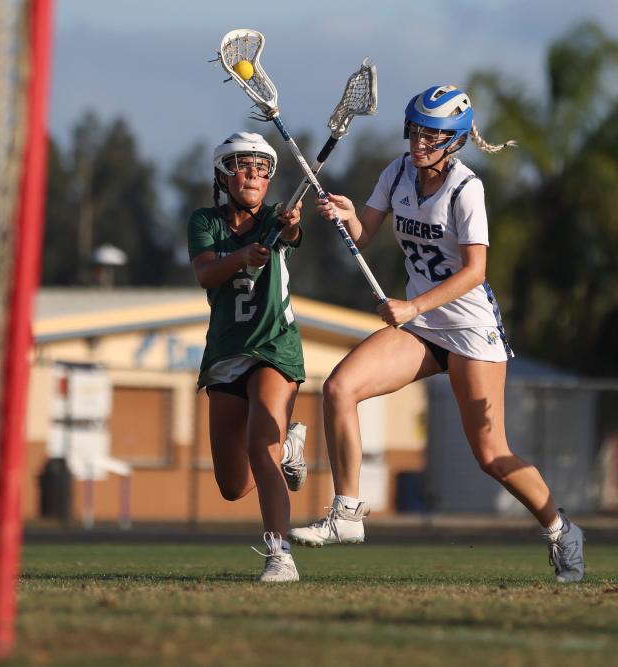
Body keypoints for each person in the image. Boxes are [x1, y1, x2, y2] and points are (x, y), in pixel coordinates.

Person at [288, 86, 585, 583]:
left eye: (433, 134)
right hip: (423, 328)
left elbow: (474, 271)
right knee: (340, 388)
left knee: (491, 455)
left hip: (469, 329)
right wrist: (347, 216)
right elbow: (365, 232)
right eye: (417, 130)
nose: (421, 141)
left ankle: (560, 529)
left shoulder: (467, 189)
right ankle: (348, 513)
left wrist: (413, 305)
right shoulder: (396, 171)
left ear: (456, 141)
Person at [187, 131, 308, 583]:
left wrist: (290, 224)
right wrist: (240, 257)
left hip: (275, 345)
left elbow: (292, 230)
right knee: (232, 486)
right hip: (225, 353)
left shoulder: (276, 217)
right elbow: (204, 273)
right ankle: (289, 443)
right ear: (223, 173)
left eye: (261, 168)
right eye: (243, 166)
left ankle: (280, 556)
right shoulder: (205, 221)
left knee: (261, 444)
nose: (253, 175)